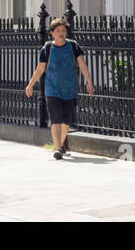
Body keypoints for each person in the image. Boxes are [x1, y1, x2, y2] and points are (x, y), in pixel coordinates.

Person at [25, 17, 93, 159]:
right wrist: (31, 84)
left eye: (63, 31)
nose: (61, 33)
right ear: (52, 33)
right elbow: (40, 68)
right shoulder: (47, 48)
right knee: (56, 118)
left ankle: (60, 146)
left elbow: (82, 65)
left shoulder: (74, 46)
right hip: (52, 89)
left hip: (70, 89)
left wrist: (89, 82)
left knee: (66, 120)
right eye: (58, 31)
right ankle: (58, 148)